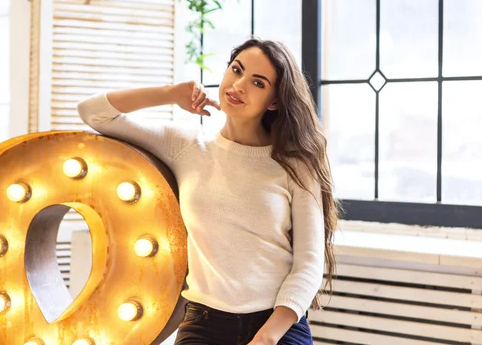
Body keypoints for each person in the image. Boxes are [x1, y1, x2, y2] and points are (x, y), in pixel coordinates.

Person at [77, 38, 341, 345]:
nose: (238, 85)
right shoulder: (186, 146)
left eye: (257, 82)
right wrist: (170, 93)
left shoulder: (295, 163)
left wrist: (268, 337)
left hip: (276, 325)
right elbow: (93, 112)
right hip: (205, 323)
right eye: (236, 70)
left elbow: (309, 263)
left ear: (274, 101)